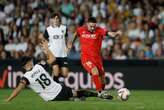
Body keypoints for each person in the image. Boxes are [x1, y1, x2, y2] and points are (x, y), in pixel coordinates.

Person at [5, 40, 111, 102]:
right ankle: (97, 95)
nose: (31, 61)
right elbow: (53, 59)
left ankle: (79, 97)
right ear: (28, 63)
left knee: (75, 93)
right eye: (29, 60)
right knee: (77, 92)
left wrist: (9, 99)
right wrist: (47, 49)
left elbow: (19, 88)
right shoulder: (39, 66)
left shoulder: (26, 77)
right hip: (58, 89)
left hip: (52, 95)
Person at [69, 17, 122, 98]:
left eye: (94, 26)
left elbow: (109, 33)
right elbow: (75, 34)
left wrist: (115, 34)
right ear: (87, 24)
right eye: (91, 26)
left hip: (97, 58)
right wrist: (70, 43)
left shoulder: (99, 30)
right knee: (94, 71)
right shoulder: (81, 30)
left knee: (103, 79)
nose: (93, 28)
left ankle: (103, 93)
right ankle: (100, 92)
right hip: (85, 57)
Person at [41, 12, 70, 82]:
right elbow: (43, 41)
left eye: (57, 18)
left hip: (63, 54)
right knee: (56, 71)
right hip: (53, 54)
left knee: (65, 74)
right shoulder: (48, 30)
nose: (56, 20)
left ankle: (53, 78)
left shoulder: (64, 28)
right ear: (51, 20)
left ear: (59, 20)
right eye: (54, 19)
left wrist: (68, 47)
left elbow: (67, 39)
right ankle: (55, 87)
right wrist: (45, 50)